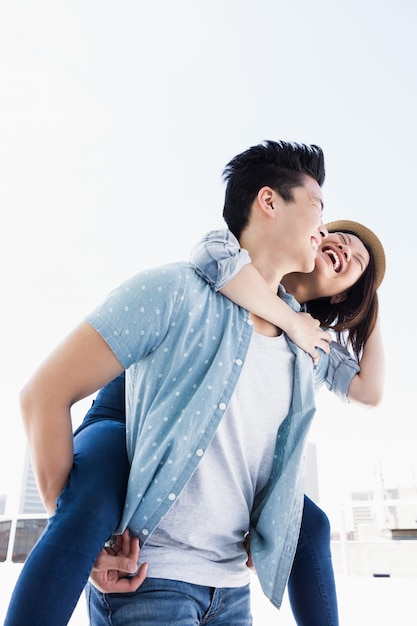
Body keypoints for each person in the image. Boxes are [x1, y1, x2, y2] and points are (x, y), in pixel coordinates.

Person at [4, 140, 372, 626]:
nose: (326, 229)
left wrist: (369, 294)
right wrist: (82, 539)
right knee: (91, 496)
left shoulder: (303, 347)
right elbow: (43, 394)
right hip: (151, 583)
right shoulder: (179, 288)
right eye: (318, 207)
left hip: (231, 595)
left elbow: (364, 393)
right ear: (268, 202)